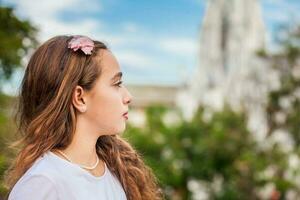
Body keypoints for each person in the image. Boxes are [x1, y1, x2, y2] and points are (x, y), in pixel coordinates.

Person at [4, 35, 162, 200]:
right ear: (79, 98)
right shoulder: (43, 184)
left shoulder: (118, 170)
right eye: (116, 84)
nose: (128, 96)